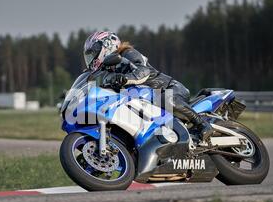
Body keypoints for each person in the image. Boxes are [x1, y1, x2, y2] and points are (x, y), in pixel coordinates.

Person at [83, 31, 214, 141]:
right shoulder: (108, 70)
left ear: (106, 45)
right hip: (146, 99)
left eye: (93, 53)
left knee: (165, 99)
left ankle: (202, 124)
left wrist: (126, 79)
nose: (92, 58)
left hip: (168, 88)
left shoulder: (127, 53)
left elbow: (143, 72)